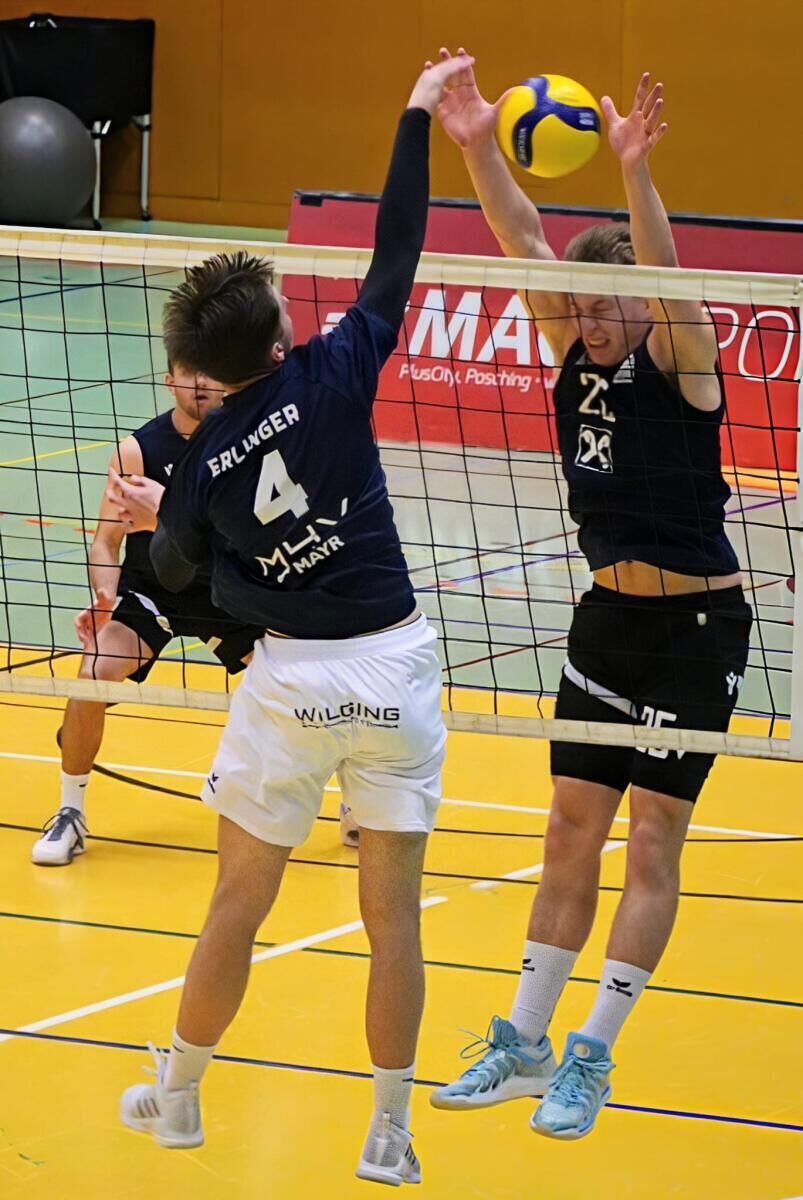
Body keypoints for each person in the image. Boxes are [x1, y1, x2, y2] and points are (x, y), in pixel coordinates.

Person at [116, 54, 466, 1185]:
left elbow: (182, 570)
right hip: (394, 668)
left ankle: (177, 1099)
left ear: (207, 370)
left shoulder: (202, 462)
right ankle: (389, 1135)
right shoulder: (335, 371)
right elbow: (396, 252)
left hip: (290, 684)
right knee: (393, 920)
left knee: (238, 903)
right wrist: (414, 113)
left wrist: (169, 514)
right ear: (275, 343)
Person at [429, 53, 752, 1140]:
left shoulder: (683, 360)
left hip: (695, 629)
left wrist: (633, 172)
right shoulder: (572, 348)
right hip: (603, 621)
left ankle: (590, 1056)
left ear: (638, 303)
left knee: (651, 840)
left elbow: (668, 279)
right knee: (570, 829)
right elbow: (521, 236)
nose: (587, 315)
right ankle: (522, 1043)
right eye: (579, 303)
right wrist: (477, 143)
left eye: (606, 302)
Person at [31, 369, 263, 866]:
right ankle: (70, 812)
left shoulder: (247, 442)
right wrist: (104, 595)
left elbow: (252, 540)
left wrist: (167, 517)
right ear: (169, 379)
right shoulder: (138, 452)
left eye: (210, 372)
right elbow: (105, 542)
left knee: (304, 681)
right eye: (190, 373)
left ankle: (353, 800)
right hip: (153, 591)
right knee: (93, 671)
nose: (201, 383)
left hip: (225, 594)